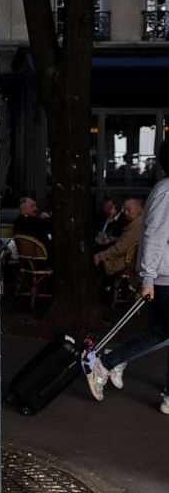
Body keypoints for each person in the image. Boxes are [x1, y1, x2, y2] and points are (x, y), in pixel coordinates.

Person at [87, 140, 169, 413]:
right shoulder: (167, 192)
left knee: (160, 332)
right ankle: (109, 362)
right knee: (161, 332)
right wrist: (147, 279)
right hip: (162, 277)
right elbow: (155, 238)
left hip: (162, 276)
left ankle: (111, 361)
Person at [93, 197, 143, 277]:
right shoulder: (138, 221)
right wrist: (116, 239)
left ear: (138, 208)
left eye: (129, 210)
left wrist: (101, 255)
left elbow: (121, 248)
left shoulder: (136, 224)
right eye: (125, 210)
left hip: (123, 267)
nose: (126, 213)